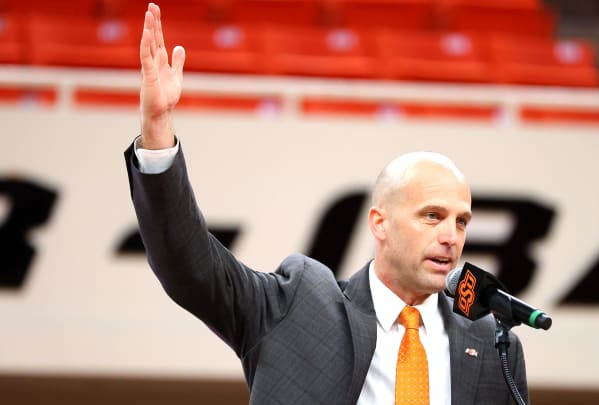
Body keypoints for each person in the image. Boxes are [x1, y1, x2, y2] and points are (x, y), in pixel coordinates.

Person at [124, 3, 528, 404]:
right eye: (432, 216)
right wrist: (157, 131)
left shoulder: (494, 347)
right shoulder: (300, 308)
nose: (450, 237)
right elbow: (192, 268)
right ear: (379, 223)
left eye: (461, 222)